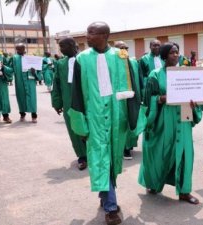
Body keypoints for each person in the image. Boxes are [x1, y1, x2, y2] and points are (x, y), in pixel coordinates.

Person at [68, 22, 132, 225]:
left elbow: (132, 87)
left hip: (116, 117)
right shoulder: (81, 59)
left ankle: (105, 196)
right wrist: (81, 125)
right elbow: (76, 94)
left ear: (105, 35)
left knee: (111, 160)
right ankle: (111, 208)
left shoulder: (120, 57)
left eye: (91, 32)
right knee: (100, 160)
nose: (86, 35)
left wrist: (132, 118)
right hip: (94, 118)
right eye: (87, 31)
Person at [138, 42, 202, 204]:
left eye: (177, 52)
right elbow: (147, 100)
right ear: (165, 55)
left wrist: (195, 104)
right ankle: (152, 183)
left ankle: (184, 191)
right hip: (162, 118)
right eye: (173, 52)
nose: (176, 55)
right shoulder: (155, 75)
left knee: (185, 153)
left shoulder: (185, 73)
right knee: (159, 153)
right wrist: (161, 99)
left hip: (184, 114)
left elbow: (194, 93)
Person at [51, 37, 87, 170]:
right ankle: (82, 156)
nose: (61, 49)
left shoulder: (84, 59)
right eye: (60, 47)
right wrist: (57, 102)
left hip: (86, 101)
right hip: (68, 101)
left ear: (73, 45)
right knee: (74, 129)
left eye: (63, 46)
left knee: (89, 126)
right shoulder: (60, 64)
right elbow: (57, 83)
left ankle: (94, 154)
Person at [114, 41, 144, 160]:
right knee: (121, 123)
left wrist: (141, 95)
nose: (124, 50)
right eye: (121, 48)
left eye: (126, 48)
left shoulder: (133, 62)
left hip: (133, 97)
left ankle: (129, 145)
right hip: (118, 99)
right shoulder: (112, 63)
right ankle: (124, 148)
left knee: (133, 120)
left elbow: (140, 79)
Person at [11, 43, 40, 123]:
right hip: (19, 81)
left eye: (20, 49)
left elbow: (39, 70)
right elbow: (11, 69)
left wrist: (35, 73)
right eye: (17, 49)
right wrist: (2, 68)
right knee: (21, 97)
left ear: (24, 49)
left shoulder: (31, 57)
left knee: (32, 98)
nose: (18, 51)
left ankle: (34, 116)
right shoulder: (14, 58)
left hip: (30, 81)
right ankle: (22, 115)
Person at [0, 46, 12, 123]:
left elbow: (10, 68)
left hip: (1, 80)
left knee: (4, 98)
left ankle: (6, 116)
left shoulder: (0, 56)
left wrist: (3, 67)